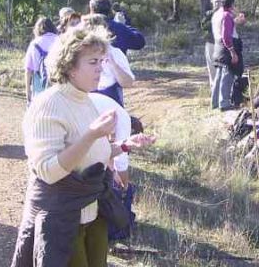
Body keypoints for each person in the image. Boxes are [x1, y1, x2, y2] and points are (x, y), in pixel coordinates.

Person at [11, 26, 155, 267]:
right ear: (69, 66)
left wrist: (125, 145)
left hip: (93, 212)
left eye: (101, 60)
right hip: (62, 219)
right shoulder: (48, 105)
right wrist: (91, 135)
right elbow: (48, 171)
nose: (101, 68)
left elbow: (93, 155)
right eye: (93, 62)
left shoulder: (84, 98)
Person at [82, 14, 135, 107]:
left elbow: (128, 83)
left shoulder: (115, 53)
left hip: (111, 105)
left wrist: (113, 64)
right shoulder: (78, 55)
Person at [211, 0, 244, 111]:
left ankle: (215, 102)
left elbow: (224, 28)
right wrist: (232, 52)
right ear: (232, 3)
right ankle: (224, 103)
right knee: (227, 75)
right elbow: (226, 36)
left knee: (219, 75)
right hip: (226, 48)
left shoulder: (217, 14)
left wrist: (236, 21)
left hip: (218, 46)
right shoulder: (226, 16)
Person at [24, 17, 59, 105]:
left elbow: (28, 70)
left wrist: (28, 92)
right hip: (58, 82)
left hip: (39, 81)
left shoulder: (34, 44)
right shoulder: (61, 41)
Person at [202, 0, 222, 88]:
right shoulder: (209, 14)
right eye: (216, 2)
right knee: (212, 68)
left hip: (222, 45)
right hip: (211, 43)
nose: (217, 4)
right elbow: (203, 26)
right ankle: (213, 89)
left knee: (223, 68)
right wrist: (214, 18)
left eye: (219, 2)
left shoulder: (226, 14)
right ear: (212, 3)